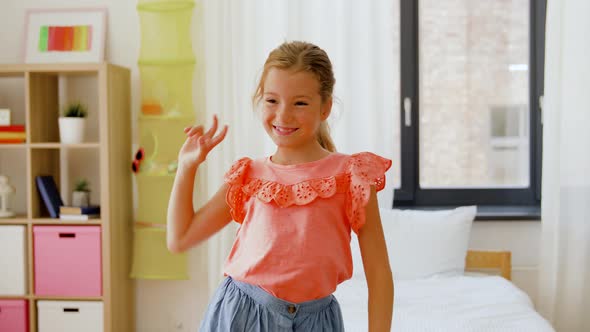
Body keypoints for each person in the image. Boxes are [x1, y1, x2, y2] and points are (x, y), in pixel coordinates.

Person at [167, 40, 393, 332]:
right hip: (240, 317)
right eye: (272, 101)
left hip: (317, 322)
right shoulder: (249, 176)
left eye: (300, 103)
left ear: (325, 107)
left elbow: (379, 274)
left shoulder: (353, 175)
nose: (283, 116)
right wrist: (187, 167)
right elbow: (180, 238)